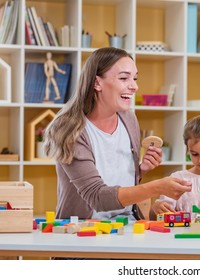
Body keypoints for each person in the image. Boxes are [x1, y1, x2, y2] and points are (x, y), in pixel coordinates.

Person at [44, 47, 192, 220]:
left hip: (127, 225)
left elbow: (118, 180)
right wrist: (157, 187)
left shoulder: (128, 119)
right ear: (97, 83)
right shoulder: (69, 128)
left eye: (135, 78)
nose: (134, 86)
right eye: (124, 78)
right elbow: (97, 197)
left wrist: (139, 171)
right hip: (84, 230)